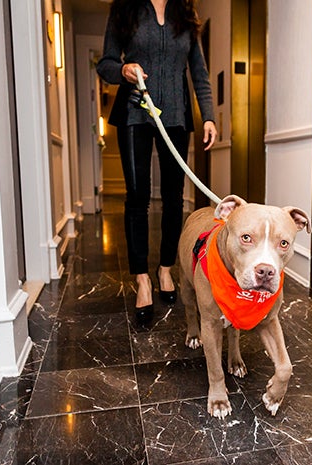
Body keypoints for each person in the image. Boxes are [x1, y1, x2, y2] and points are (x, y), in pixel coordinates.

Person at [97, 0, 217, 323]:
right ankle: (142, 280)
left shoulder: (186, 14)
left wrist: (208, 116)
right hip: (135, 112)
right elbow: (105, 63)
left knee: (173, 199)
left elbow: (200, 73)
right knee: (137, 197)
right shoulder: (125, 9)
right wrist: (123, 69)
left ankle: (166, 268)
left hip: (176, 117)